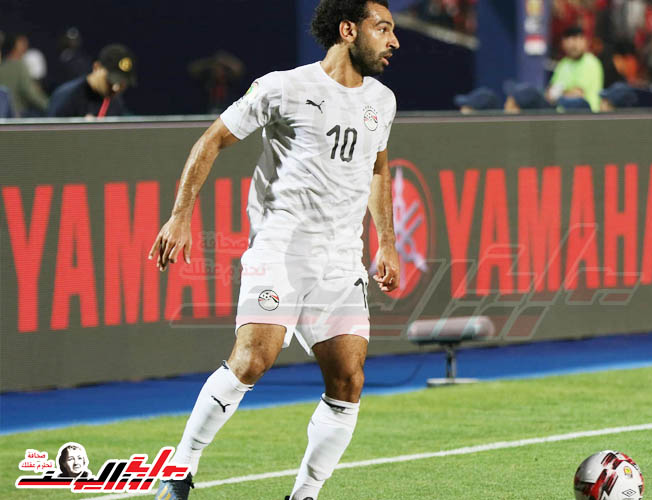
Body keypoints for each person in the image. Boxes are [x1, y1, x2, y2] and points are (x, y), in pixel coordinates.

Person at [150, 1, 400, 499]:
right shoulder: (283, 87)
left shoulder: (382, 100)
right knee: (251, 361)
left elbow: (377, 169)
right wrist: (180, 215)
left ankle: (304, 494)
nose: (393, 41)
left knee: (348, 381)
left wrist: (387, 243)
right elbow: (211, 140)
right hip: (281, 250)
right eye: (383, 28)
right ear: (348, 30)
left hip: (341, 261)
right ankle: (180, 469)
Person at [47, 44, 135, 118]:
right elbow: (50, 132)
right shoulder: (66, 96)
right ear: (97, 67)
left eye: (122, 84)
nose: (115, 88)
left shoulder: (115, 102)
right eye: (111, 81)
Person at [0, 33, 48, 116]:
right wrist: (49, 106)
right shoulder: (19, 65)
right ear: (14, 46)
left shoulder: (3, 64)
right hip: (17, 114)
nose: (25, 47)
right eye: (22, 44)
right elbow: (29, 92)